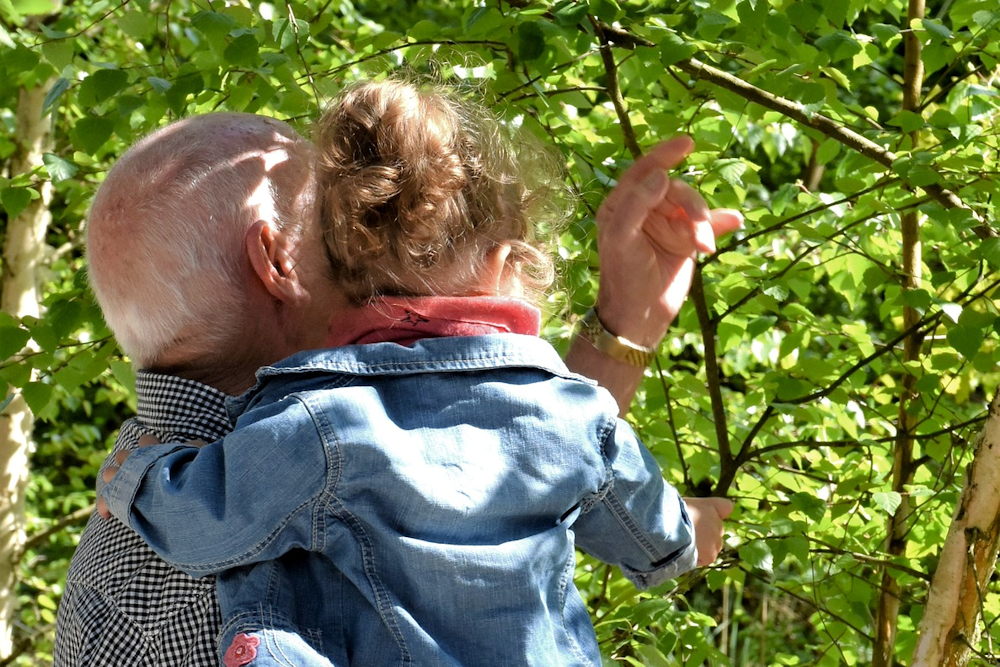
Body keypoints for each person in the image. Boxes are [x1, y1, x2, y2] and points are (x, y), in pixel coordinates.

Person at [55, 96, 741, 666]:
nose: (382, 239)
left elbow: (492, 469)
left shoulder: (265, 462)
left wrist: (625, 321)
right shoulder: (171, 595)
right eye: (344, 221)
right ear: (277, 260)